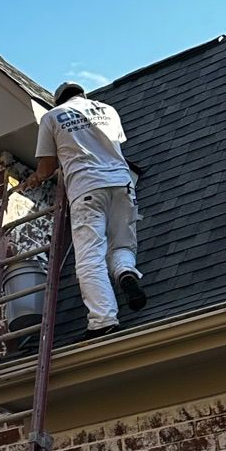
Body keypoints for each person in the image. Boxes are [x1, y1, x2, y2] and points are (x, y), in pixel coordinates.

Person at [22, 81, 145, 337]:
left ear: (59, 100)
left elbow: (46, 167)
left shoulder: (52, 117)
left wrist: (36, 178)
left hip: (87, 188)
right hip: (122, 184)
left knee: (90, 257)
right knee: (121, 244)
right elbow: (108, 146)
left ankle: (103, 320)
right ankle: (125, 272)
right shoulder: (108, 110)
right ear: (82, 94)